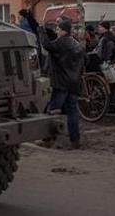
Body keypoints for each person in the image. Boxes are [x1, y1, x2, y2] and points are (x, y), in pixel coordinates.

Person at [43, 18, 84, 150]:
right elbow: (85, 60)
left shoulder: (61, 43)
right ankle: (75, 140)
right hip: (74, 83)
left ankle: (48, 139)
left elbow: (47, 45)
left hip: (62, 83)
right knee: (72, 112)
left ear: (63, 31)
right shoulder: (76, 43)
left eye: (58, 29)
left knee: (52, 110)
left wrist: (41, 31)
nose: (56, 31)